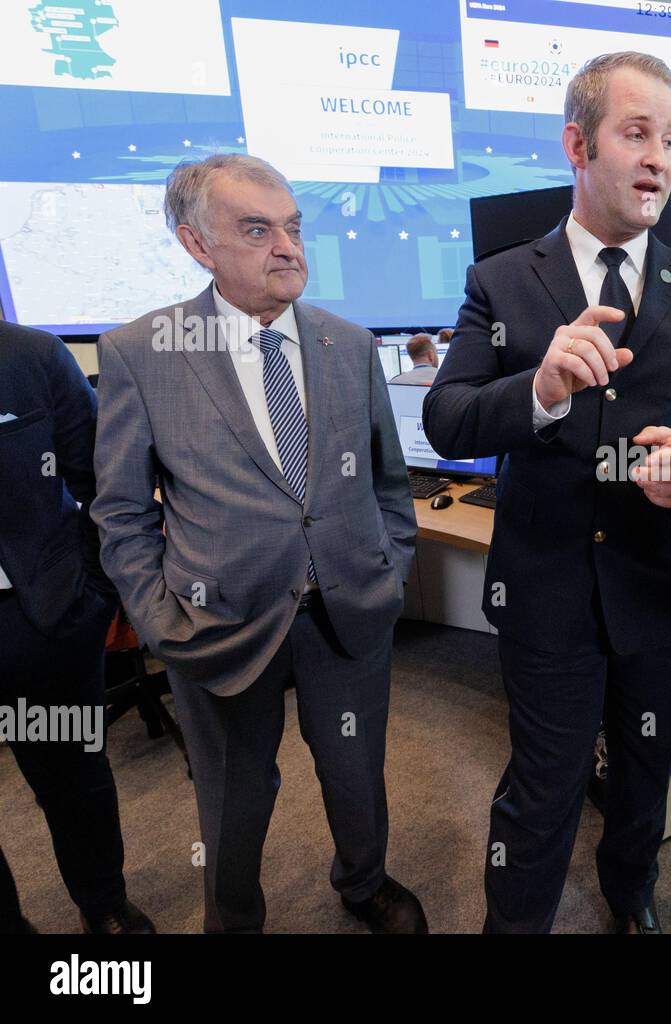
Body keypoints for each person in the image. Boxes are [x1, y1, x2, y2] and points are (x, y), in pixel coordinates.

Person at [424, 51, 671, 934]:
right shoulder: (501, 281)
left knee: (647, 778)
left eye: (669, 138)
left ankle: (630, 897)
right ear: (578, 145)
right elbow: (448, 420)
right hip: (547, 593)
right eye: (635, 133)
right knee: (542, 790)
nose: (658, 158)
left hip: (664, 588)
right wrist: (538, 391)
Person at [91, 154, 424, 934]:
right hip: (218, 625)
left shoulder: (348, 342)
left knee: (355, 772)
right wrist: (162, 619)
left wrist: (391, 568)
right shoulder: (141, 352)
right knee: (236, 796)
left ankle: (364, 880)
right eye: (256, 230)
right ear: (197, 246)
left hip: (347, 609)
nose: (288, 248)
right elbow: (121, 513)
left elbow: (387, 481)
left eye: (293, 227)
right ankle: (235, 916)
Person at [0, 320, 155, 935]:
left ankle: (104, 905)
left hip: (41, 617)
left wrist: (93, 594)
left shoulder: (32, 355)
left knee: (73, 781)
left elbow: (105, 479)